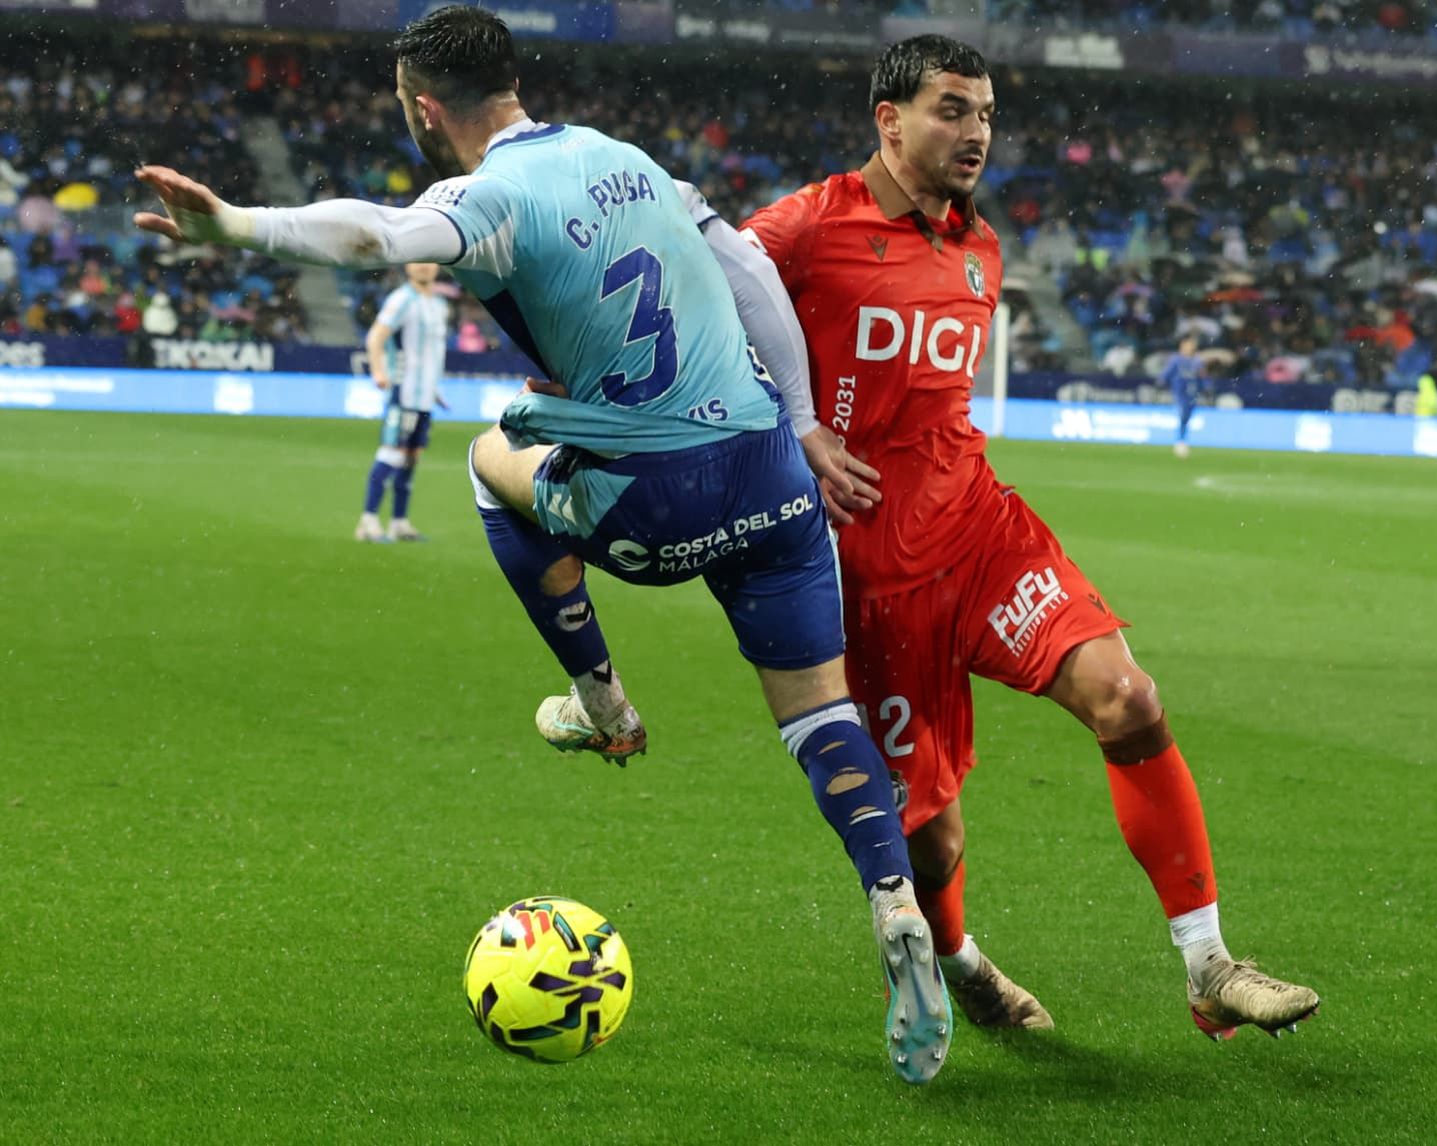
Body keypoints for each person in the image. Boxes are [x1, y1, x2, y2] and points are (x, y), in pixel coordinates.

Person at [132, 5, 951, 1085]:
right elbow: (752, 273)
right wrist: (800, 417)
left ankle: (604, 705)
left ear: (425, 107)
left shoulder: (481, 198)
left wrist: (236, 227)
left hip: (652, 503)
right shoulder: (627, 159)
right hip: (770, 473)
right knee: (819, 710)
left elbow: (376, 236)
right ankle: (895, 906)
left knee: (486, 463)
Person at [741, 34, 1319, 1040]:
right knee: (932, 840)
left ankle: (1209, 963)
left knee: (1128, 698)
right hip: (868, 574)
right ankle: (961, 960)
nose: (977, 133)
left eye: (986, 114)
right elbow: (708, 310)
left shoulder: (980, 248)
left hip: (980, 532)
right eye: (953, 110)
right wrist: (794, 423)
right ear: (890, 119)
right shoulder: (805, 227)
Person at [356, 261, 451, 543]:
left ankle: (399, 522)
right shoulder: (401, 299)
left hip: (424, 398)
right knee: (391, 454)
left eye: (429, 260)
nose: (423, 266)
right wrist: (378, 371)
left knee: (411, 459)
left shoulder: (439, 304)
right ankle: (368, 521)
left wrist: (434, 390)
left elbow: (432, 353)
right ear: (408, 266)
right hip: (404, 392)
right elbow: (376, 336)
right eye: (417, 260)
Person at [1160, 334, 1205, 458]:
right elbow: (1167, 373)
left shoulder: (1197, 361)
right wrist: (1162, 381)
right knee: (1182, 414)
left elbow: (1201, 377)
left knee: (1187, 417)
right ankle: (1180, 441)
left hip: (1192, 394)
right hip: (1180, 392)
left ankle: (1183, 439)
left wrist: (1205, 387)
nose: (1191, 347)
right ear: (1182, 346)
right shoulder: (1176, 359)